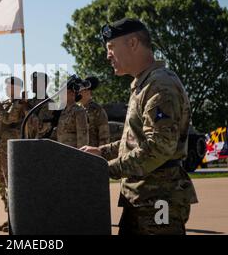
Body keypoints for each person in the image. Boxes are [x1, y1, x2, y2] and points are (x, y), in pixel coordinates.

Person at [80, 18, 198, 235]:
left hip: (158, 200)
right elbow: (135, 141)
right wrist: (102, 152)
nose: (108, 55)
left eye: (111, 47)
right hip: (141, 197)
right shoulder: (144, 85)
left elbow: (159, 147)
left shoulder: (160, 85)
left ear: (133, 43)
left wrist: (108, 169)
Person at [0, 76, 26, 232]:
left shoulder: (19, 103)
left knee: (11, 184)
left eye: (8, 86)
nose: (5, 88)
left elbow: (8, 118)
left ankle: (16, 219)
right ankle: (9, 217)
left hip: (11, 150)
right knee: (2, 184)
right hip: (0, 148)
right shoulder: (6, 103)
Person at [56, 80, 89, 148]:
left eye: (63, 92)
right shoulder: (63, 111)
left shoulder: (79, 111)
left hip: (73, 153)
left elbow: (82, 136)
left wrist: (80, 155)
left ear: (72, 93)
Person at [78, 77, 110, 147]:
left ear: (88, 91)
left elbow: (104, 137)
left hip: (92, 154)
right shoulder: (77, 110)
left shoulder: (97, 110)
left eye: (80, 91)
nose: (77, 93)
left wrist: (100, 153)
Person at [26, 72, 55, 139]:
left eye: (35, 82)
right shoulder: (29, 102)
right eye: (32, 82)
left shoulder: (50, 104)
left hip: (41, 144)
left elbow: (41, 127)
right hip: (27, 143)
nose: (32, 84)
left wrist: (27, 108)